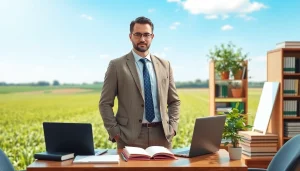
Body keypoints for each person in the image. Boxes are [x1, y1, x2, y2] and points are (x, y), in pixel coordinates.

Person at [99, 16, 180, 149]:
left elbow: (174, 101)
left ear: (152, 36)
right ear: (130, 36)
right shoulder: (116, 66)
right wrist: (115, 133)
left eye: (146, 35)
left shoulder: (165, 65)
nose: (142, 39)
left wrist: (173, 128)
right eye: (137, 34)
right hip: (128, 137)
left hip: (162, 136)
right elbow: (105, 103)